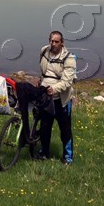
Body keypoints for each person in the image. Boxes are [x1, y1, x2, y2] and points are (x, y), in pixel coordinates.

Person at [36, 30, 76, 164]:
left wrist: (54, 89)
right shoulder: (44, 51)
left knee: (65, 130)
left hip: (61, 100)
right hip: (45, 98)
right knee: (45, 127)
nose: (53, 44)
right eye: (51, 41)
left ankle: (68, 157)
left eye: (56, 41)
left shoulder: (69, 58)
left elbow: (67, 81)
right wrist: (41, 81)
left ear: (62, 43)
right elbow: (43, 69)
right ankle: (44, 153)